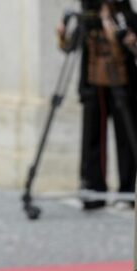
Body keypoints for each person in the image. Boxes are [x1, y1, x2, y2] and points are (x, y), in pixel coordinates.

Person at [57, 0, 137, 210]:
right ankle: (93, 189)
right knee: (92, 137)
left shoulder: (126, 18)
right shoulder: (88, 20)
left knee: (126, 138)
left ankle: (127, 191)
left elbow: (133, 47)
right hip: (93, 84)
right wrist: (62, 34)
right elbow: (69, 47)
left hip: (122, 84)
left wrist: (118, 36)